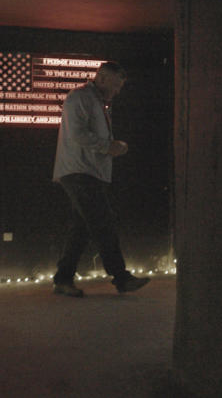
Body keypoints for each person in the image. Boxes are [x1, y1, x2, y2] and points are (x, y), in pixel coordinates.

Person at [51, 61, 150, 297]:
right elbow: (78, 135)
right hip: (80, 172)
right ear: (102, 78)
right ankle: (121, 277)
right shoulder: (81, 98)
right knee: (103, 222)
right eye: (115, 85)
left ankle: (63, 279)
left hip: (85, 172)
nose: (116, 91)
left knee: (82, 228)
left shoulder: (94, 101)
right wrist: (109, 147)